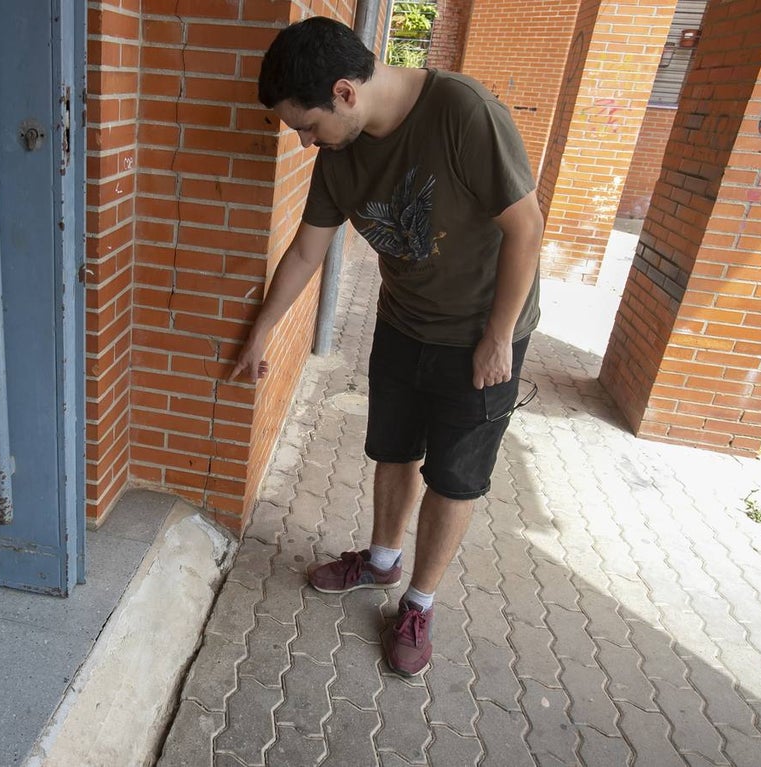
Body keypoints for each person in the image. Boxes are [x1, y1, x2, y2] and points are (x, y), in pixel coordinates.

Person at [229, 16, 543, 677]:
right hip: (403, 322)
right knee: (393, 450)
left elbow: (526, 228)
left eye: (307, 126)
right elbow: (308, 247)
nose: (309, 144)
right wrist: (262, 326)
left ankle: (419, 603)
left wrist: (496, 338)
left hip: (481, 336)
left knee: (453, 478)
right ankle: (379, 562)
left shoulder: (461, 112)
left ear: (345, 91)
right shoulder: (344, 153)